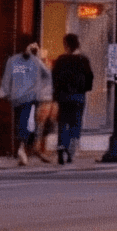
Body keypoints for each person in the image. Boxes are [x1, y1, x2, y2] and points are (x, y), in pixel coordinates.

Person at [0, 40, 49, 167]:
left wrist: (5, 92)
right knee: (30, 123)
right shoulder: (35, 61)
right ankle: (24, 148)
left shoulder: (12, 61)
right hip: (31, 97)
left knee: (23, 122)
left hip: (17, 98)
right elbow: (47, 75)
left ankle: (25, 148)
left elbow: (6, 79)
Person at [50, 34, 94, 165]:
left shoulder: (60, 60)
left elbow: (54, 78)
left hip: (63, 96)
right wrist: (84, 88)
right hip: (78, 96)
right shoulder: (83, 59)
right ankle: (72, 148)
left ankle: (62, 145)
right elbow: (89, 77)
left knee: (63, 122)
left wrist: (56, 94)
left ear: (66, 45)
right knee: (76, 122)